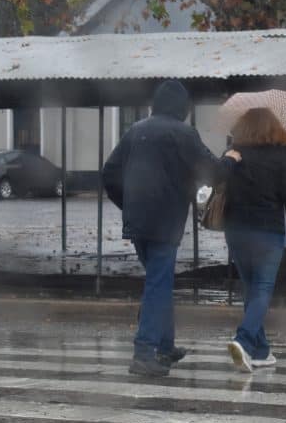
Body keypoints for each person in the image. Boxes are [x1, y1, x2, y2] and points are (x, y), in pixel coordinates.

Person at [102, 80, 240, 377]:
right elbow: (213, 173)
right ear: (182, 108)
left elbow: (108, 173)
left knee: (158, 281)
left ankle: (165, 346)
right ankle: (144, 352)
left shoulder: (135, 130)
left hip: (137, 221)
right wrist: (229, 159)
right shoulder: (183, 134)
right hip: (165, 222)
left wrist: (128, 204)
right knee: (157, 284)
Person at [222, 108, 286, 373]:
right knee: (263, 288)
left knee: (251, 288)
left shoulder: (234, 153)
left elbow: (219, 183)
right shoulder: (280, 153)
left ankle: (260, 350)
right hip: (268, 230)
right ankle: (243, 339)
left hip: (236, 231)